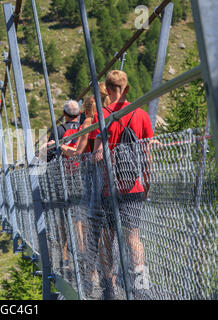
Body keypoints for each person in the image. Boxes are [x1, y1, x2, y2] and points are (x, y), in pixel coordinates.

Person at [88, 70, 154, 299]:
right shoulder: (141, 115)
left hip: (109, 187)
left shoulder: (101, 116)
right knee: (133, 236)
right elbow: (146, 152)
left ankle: (109, 286)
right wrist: (147, 181)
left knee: (108, 237)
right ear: (126, 89)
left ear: (106, 89)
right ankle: (141, 284)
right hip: (134, 185)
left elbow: (97, 156)